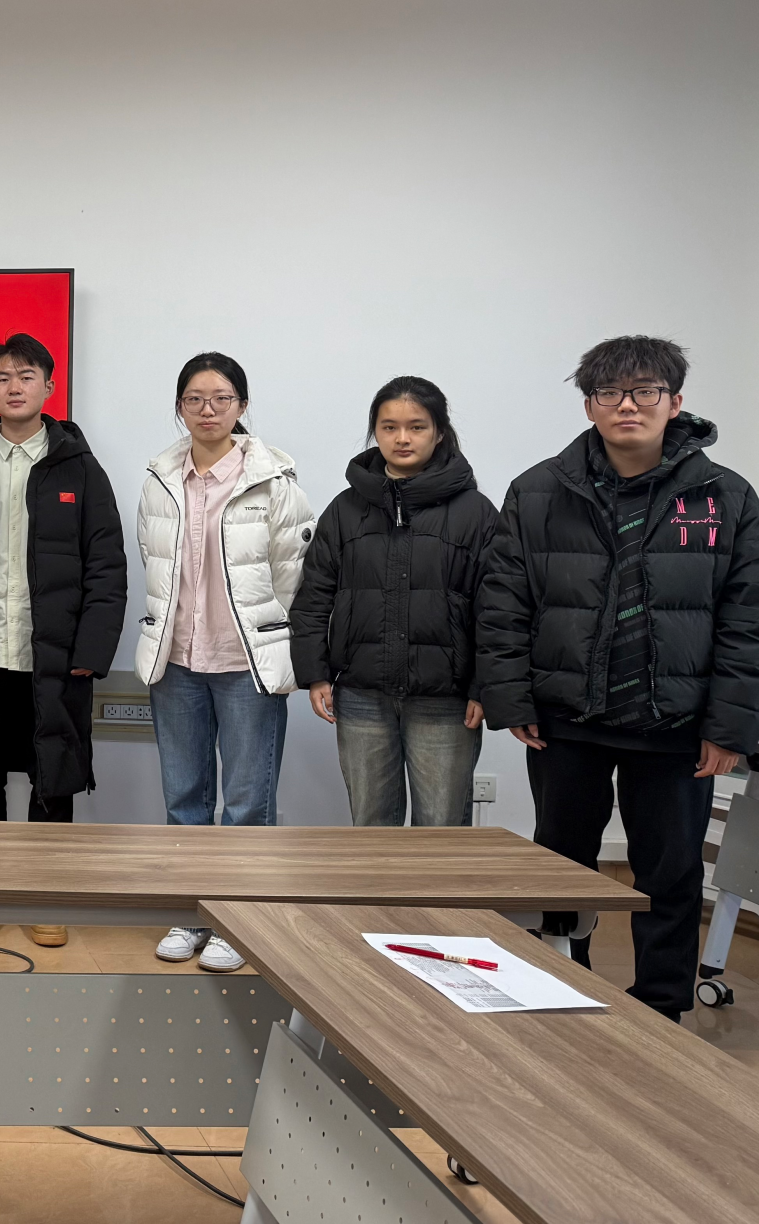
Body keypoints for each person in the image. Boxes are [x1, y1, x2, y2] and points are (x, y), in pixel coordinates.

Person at [479, 336, 759, 1021]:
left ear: (675, 402)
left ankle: (662, 1010)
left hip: (676, 725)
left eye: (645, 391)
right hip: (567, 718)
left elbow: (747, 618)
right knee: (561, 866)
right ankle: (556, 989)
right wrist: (512, 697)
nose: (627, 405)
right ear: (590, 406)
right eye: (609, 393)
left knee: (671, 873)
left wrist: (729, 728)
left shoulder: (726, 497)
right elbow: (504, 602)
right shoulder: (538, 491)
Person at [0, 333, 127, 949]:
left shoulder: (80, 468)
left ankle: (44, 899)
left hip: (53, 654)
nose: (15, 386)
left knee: (52, 776)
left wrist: (92, 651)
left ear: (48, 387)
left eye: (27, 375)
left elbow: (107, 567)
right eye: (4, 377)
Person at [134, 351, 314, 972]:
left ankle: (240, 922)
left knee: (246, 803)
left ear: (242, 405)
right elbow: (155, 564)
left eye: (221, 398)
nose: (207, 410)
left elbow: (292, 577)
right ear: (179, 407)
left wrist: (272, 641)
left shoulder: (275, 481)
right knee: (184, 799)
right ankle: (189, 914)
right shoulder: (161, 477)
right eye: (194, 399)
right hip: (177, 660)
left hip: (246, 663)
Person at [291, 377, 496, 827]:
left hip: (446, 700)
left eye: (416, 427)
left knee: (441, 830)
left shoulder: (475, 513)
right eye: (389, 427)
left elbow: (495, 609)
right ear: (376, 433)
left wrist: (484, 686)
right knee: (371, 829)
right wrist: (315, 673)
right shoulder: (345, 510)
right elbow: (313, 597)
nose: (402, 438)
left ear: (439, 433)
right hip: (361, 695)